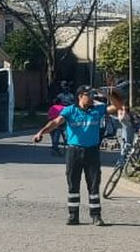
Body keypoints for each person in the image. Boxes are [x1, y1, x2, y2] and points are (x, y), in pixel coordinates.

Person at [33, 86, 108, 226]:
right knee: (73, 183)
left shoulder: (98, 109)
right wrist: (41, 133)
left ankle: (96, 216)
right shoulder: (70, 110)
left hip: (92, 151)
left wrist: (106, 94)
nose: (92, 97)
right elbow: (55, 123)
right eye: (89, 95)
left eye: (93, 94)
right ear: (80, 96)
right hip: (74, 151)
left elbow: (118, 106)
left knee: (93, 185)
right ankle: (73, 215)